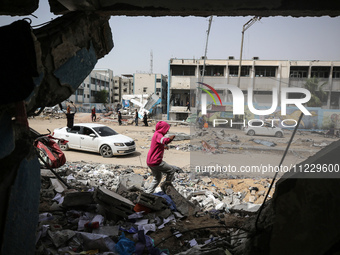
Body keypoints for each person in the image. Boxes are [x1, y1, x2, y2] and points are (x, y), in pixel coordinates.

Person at [146, 121, 183, 193]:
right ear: (162, 129)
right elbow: (164, 141)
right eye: (166, 130)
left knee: (157, 177)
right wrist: (170, 139)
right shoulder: (158, 135)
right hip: (156, 161)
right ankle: (167, 188)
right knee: (171, 170)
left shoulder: (156, 134)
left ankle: (148, 192)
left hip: (150, 161)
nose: (166, 132)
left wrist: (163, 147)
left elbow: (157, 145)